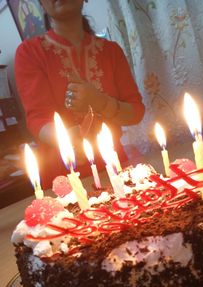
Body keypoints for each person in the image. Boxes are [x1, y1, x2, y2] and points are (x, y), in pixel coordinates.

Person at [15, 0, 145, 189]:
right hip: (64, 179)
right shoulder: (30, 53)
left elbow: (136, 111)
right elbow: (38, 119)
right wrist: (70, 138)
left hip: (114, 168)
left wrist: (100, 102)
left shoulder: (111, 51)